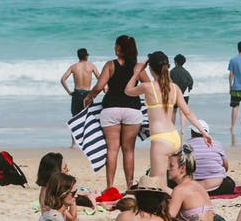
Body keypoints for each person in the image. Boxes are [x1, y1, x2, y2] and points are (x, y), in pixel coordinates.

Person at [126, 51, 212, 185]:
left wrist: (137, 72)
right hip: (174, 138)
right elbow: (188, 112)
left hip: (160, 140)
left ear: (150, 68)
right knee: (165, 182)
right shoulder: (174, 88)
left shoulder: (148, 87)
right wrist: (203, 132)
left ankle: (181, 201)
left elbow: (128, 90)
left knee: (158, 184)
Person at [82, 35, 142, 193]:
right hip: (132, 109)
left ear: (120, 48)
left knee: (112, 149)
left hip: (111, 109)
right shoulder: (137, 67)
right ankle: (130, 185)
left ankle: (110, 187)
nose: (115, 48)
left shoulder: (110, 65)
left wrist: (90, 97)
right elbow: (149, 85)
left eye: (117, 46)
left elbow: (100, 86)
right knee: (128, 150)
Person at [185, 121, 233, 195]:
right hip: (216, 186)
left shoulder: (186, 145)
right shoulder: (216, 144)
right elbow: (226, 167)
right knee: (230, 183)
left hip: (193, 187)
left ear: (192, 132)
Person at [60, 48, 99, 119]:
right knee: (89, 118)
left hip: (76, 95)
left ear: (78, 56)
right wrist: (94, 93)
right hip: (88, 95)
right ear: (86, 56)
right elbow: (100, 80)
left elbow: (62, 80)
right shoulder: (91, 66)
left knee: (76, 119)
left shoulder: (73, 67)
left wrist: (69, 92)